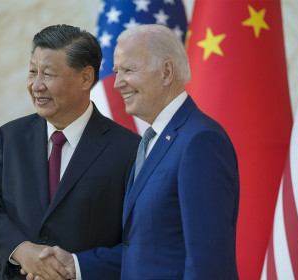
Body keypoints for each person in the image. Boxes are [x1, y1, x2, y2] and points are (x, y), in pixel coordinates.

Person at [32, 24, 240, 279]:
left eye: (128, 70)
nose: (117, 83)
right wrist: (75, 264)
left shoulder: (200, 141)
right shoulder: (152, 140)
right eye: (117, 71)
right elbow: (143, 249)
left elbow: (209, 262)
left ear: (166, 72)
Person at [0, 24, 141, 280]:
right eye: (32, 72)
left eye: (48, 74)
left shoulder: (129, 150)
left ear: (85, 78)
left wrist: (75, 266)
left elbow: (137, 242)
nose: (36, 85)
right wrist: (22, 251)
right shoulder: (10, 137)